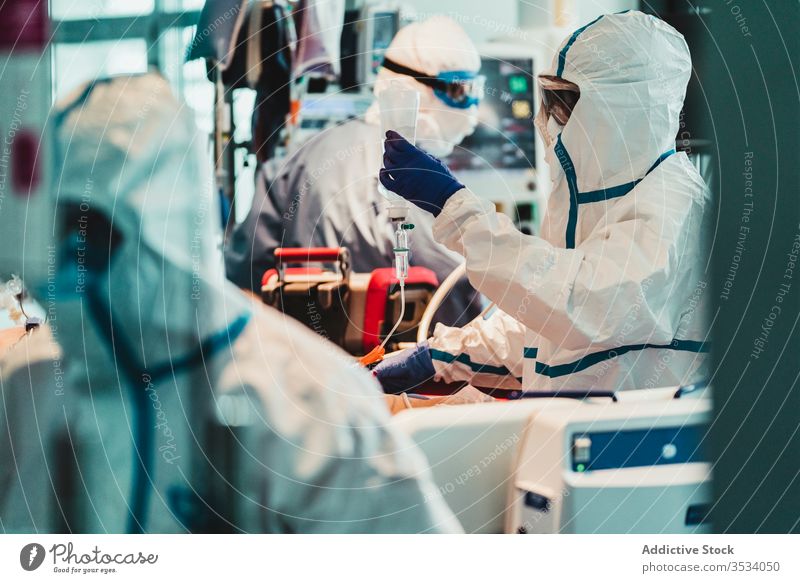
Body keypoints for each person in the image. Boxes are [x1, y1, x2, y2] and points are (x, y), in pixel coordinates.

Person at [0, 72, 461, 533]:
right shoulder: (27, 389)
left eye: (91, 236)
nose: (62, 268)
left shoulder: (308, 403)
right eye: (53, 231)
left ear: (166, 229)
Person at [374, 11, 711, 394]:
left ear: (622, 109)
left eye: (565, 102)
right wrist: (440, 357)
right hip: (565, 431)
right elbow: (544, 331)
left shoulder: (675, 207)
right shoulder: (594, 201)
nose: (550, 120)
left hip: (628, 447)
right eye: (550, 100)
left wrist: (455, 208)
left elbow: (580, 306)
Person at [224, 16, 484, 328]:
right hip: (396, 358)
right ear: (410, 89)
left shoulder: (303, 155)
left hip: (308, 352)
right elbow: (453, 284)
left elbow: (246, 269)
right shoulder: (414, 174)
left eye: (477, 89)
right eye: (458, 91)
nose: (472, 107)